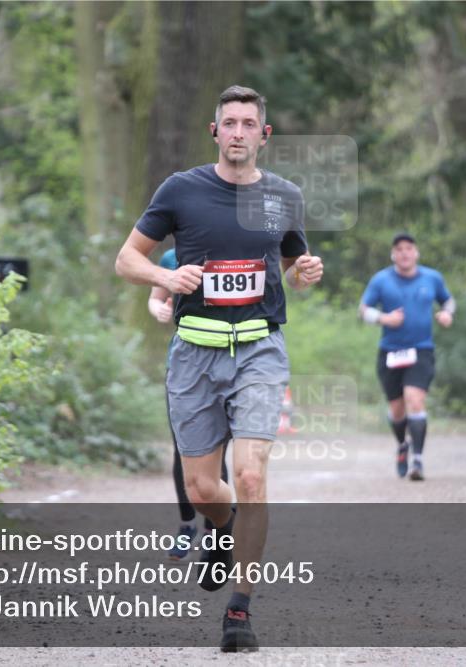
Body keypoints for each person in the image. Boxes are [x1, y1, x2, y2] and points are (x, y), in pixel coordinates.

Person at [116, 85, 323, 652]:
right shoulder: (180, 190)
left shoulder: (283, 196)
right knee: (202, 487)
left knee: (250, 476)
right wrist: (165, 277)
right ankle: (224, 527)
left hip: (258, 349)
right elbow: (126, 258)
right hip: (194, 353)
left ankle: (239, 609)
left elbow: (290, 265)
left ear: (264, 135)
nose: (238, 132)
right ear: (215, 132)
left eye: (248, 124)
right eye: (229, 123)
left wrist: (304, 273)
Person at [148, 248, 230, 561]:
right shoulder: (172, 257)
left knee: (215, 452)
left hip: (227, 367)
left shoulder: (234, 252)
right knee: (182, 450)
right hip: (183, 366)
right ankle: (186, 526)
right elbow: (155, 297)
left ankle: (214, 531)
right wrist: (159, 309)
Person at [358, 232, 454, 481]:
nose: (404, 253)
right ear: (393, 254)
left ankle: (417, 460)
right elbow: (363, 310)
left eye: (409, 248)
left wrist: (447, 313)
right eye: (399, 249)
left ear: (416, 253)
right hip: (390, 352)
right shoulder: (381, 280)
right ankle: (402, 444)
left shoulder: (432, 278)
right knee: (397, 410)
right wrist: (384, 318)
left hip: (421, 350)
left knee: (415, 399)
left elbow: (448, 301)